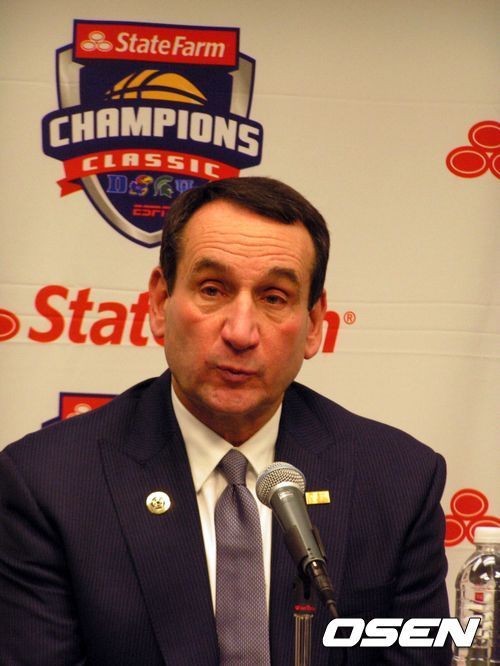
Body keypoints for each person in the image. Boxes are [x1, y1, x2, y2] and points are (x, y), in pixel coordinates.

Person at [0, 177, 450, 665]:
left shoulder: (398, 480)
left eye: (274, 298)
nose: (240, 332)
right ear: (159, 302)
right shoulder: (48, 484)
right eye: (212, 289)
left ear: (314, 324)